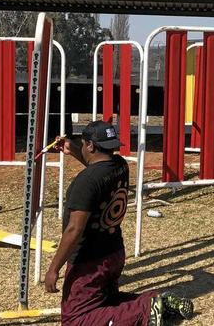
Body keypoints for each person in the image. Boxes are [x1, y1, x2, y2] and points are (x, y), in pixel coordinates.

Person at [45, 121, 193, 325]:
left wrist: (54, 268)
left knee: (75, 319)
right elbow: (97, 169)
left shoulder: (85, 182)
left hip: (90, 262)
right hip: (113, 253)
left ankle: (146, 309)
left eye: (84, 144)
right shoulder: (120, 166)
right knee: (102, 302)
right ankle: (158, 301)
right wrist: (74, 149)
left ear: (90, 145)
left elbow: (74, 229)